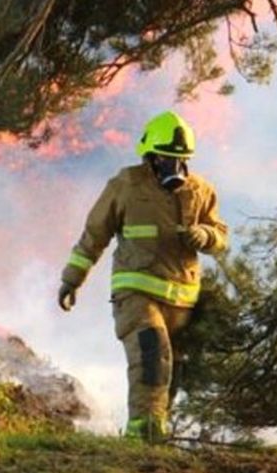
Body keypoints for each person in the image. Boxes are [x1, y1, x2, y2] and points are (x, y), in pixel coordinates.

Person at [57, 111, 228, 443]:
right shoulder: (126, 185)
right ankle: (142, 436)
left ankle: (157, 429)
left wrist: (205, 235)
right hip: (136, 291)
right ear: (150, 155)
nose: (173, 167)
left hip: (183, 299)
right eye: (167, 158)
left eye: (181, 159)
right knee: (151, 355)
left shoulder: (202, 190)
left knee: (173, 370)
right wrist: (72, 279)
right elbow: (94, 235)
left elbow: (221, 235)